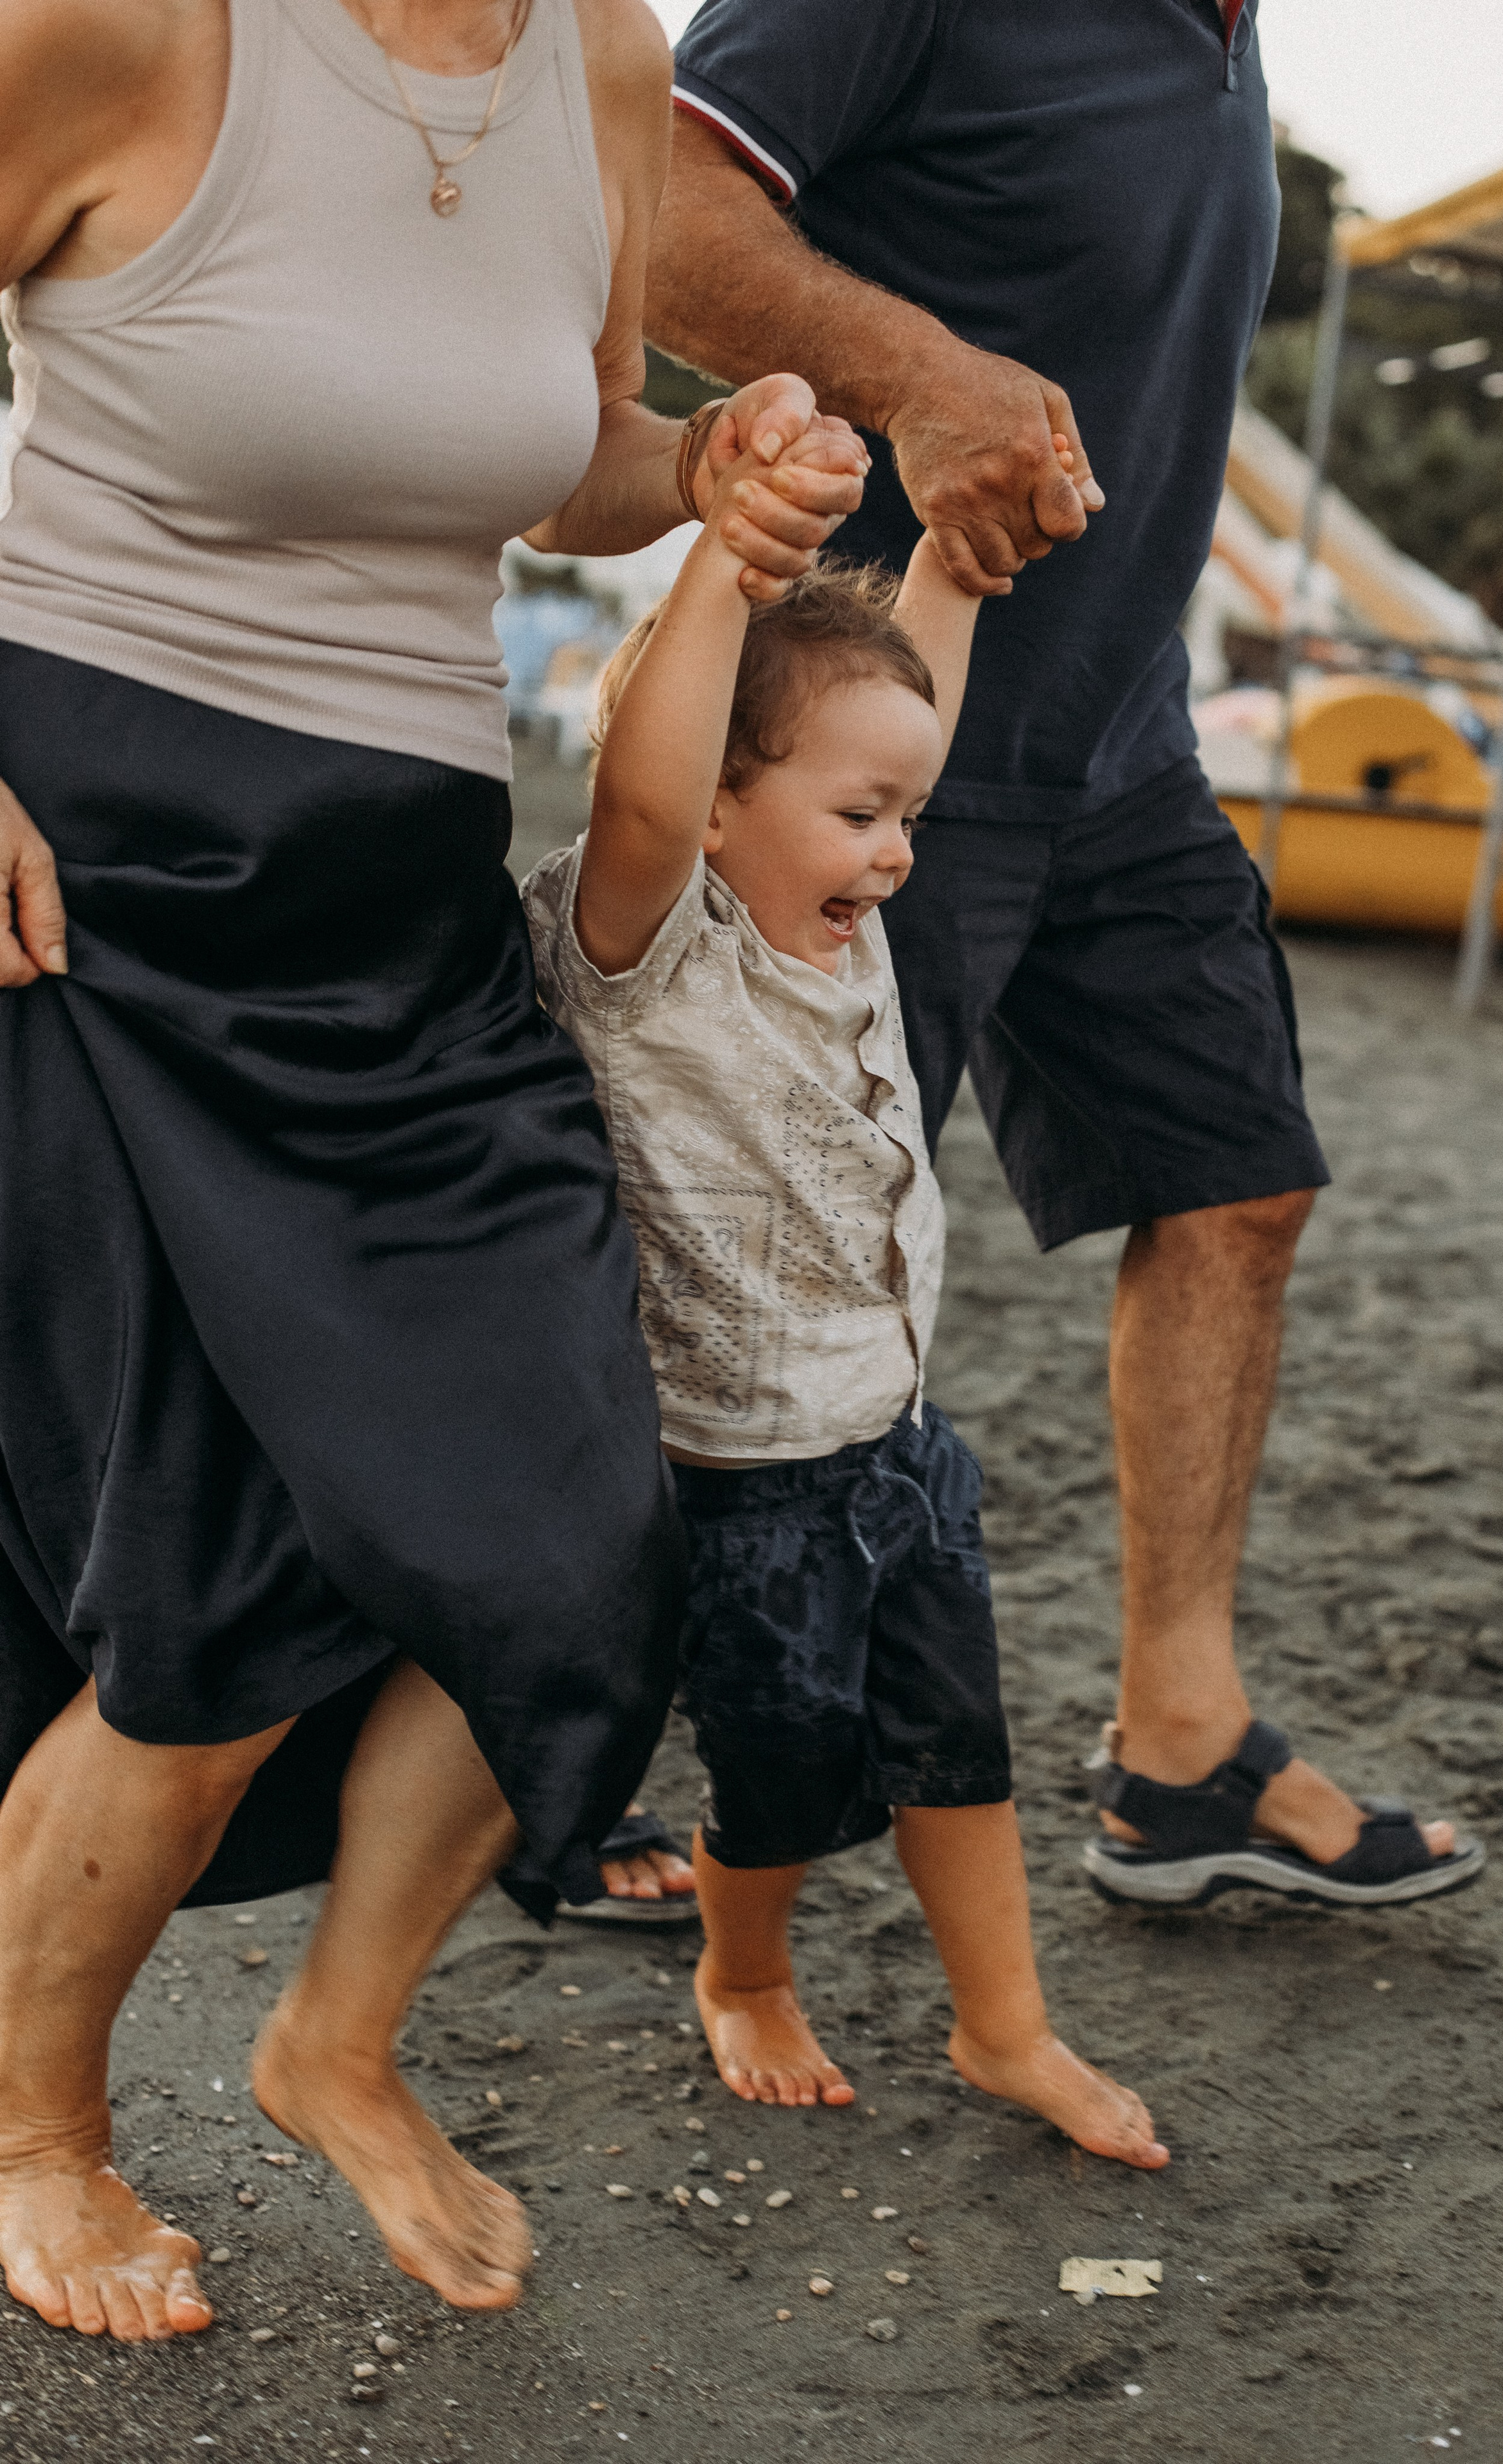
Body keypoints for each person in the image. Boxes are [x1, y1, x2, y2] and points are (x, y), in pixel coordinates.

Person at [0, 0, 865, 2344]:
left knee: (578, 1518)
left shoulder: (592, 50)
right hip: (96, 886)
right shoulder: (121, 32)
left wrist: (703, 470)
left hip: (400, 898)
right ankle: (41, 2137)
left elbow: (556, 450)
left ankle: (331, 2044)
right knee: (207, 1587)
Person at [648, 0, 1484, 1909]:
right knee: (754, 1273)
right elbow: (653, 207)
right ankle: (567, 1747)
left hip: (1121, 748)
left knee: (1238, 1186)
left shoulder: (1229, 40)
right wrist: (919, 372)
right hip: (853, 736)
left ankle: (1181, 1749)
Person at [521, 431, 1169, 2166]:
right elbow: (653, 796)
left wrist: (947, 574)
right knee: (786, 1772)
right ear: (721, 799)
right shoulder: (651, 942)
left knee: (961, 1742)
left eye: (906, 818)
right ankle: (743, 1973)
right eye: (860, 816)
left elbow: (898, 727)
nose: (895, 854)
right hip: (737, 1475)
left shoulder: (845, 915)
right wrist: (728, 568)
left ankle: (1004, 2023)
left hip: (892, 1435)